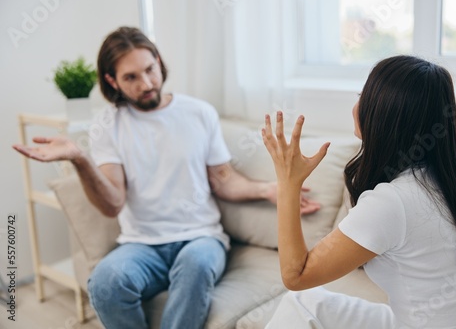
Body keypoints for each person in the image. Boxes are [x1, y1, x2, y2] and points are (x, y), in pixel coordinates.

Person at [12, 26, 321, 329]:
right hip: (141, 245)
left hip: (201, 238)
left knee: (196, 266)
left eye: (149, 69)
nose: (146, 83)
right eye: (131, 77)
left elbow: (223, 180)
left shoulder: (199, 113)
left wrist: (271, 190)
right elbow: (112, 204)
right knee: (104, 284)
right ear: (112, 81)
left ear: (158, 61)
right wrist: (79, 159)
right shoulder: (107, 125)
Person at [261, 55, 456, 329]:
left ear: (383, 113)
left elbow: (297, 275)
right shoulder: (446, 180)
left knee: (298, 296)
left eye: (363, 95)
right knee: (304, 303)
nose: (356, 105)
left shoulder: (392, 201)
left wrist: (288, 182)